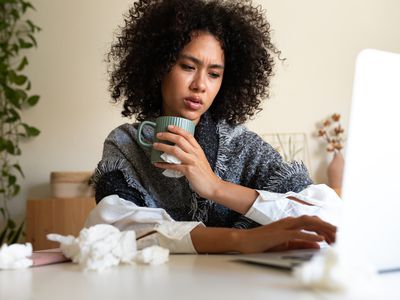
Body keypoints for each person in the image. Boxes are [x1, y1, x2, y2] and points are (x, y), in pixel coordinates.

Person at [87, 0, 341, 254]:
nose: (200, 85)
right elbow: (112, 226)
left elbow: (329, 217)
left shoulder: (241, 146)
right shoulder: (125, 144)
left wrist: (216, 187)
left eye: (214, 74)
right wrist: (239, 240)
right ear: (159, 66)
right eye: (188, 67)